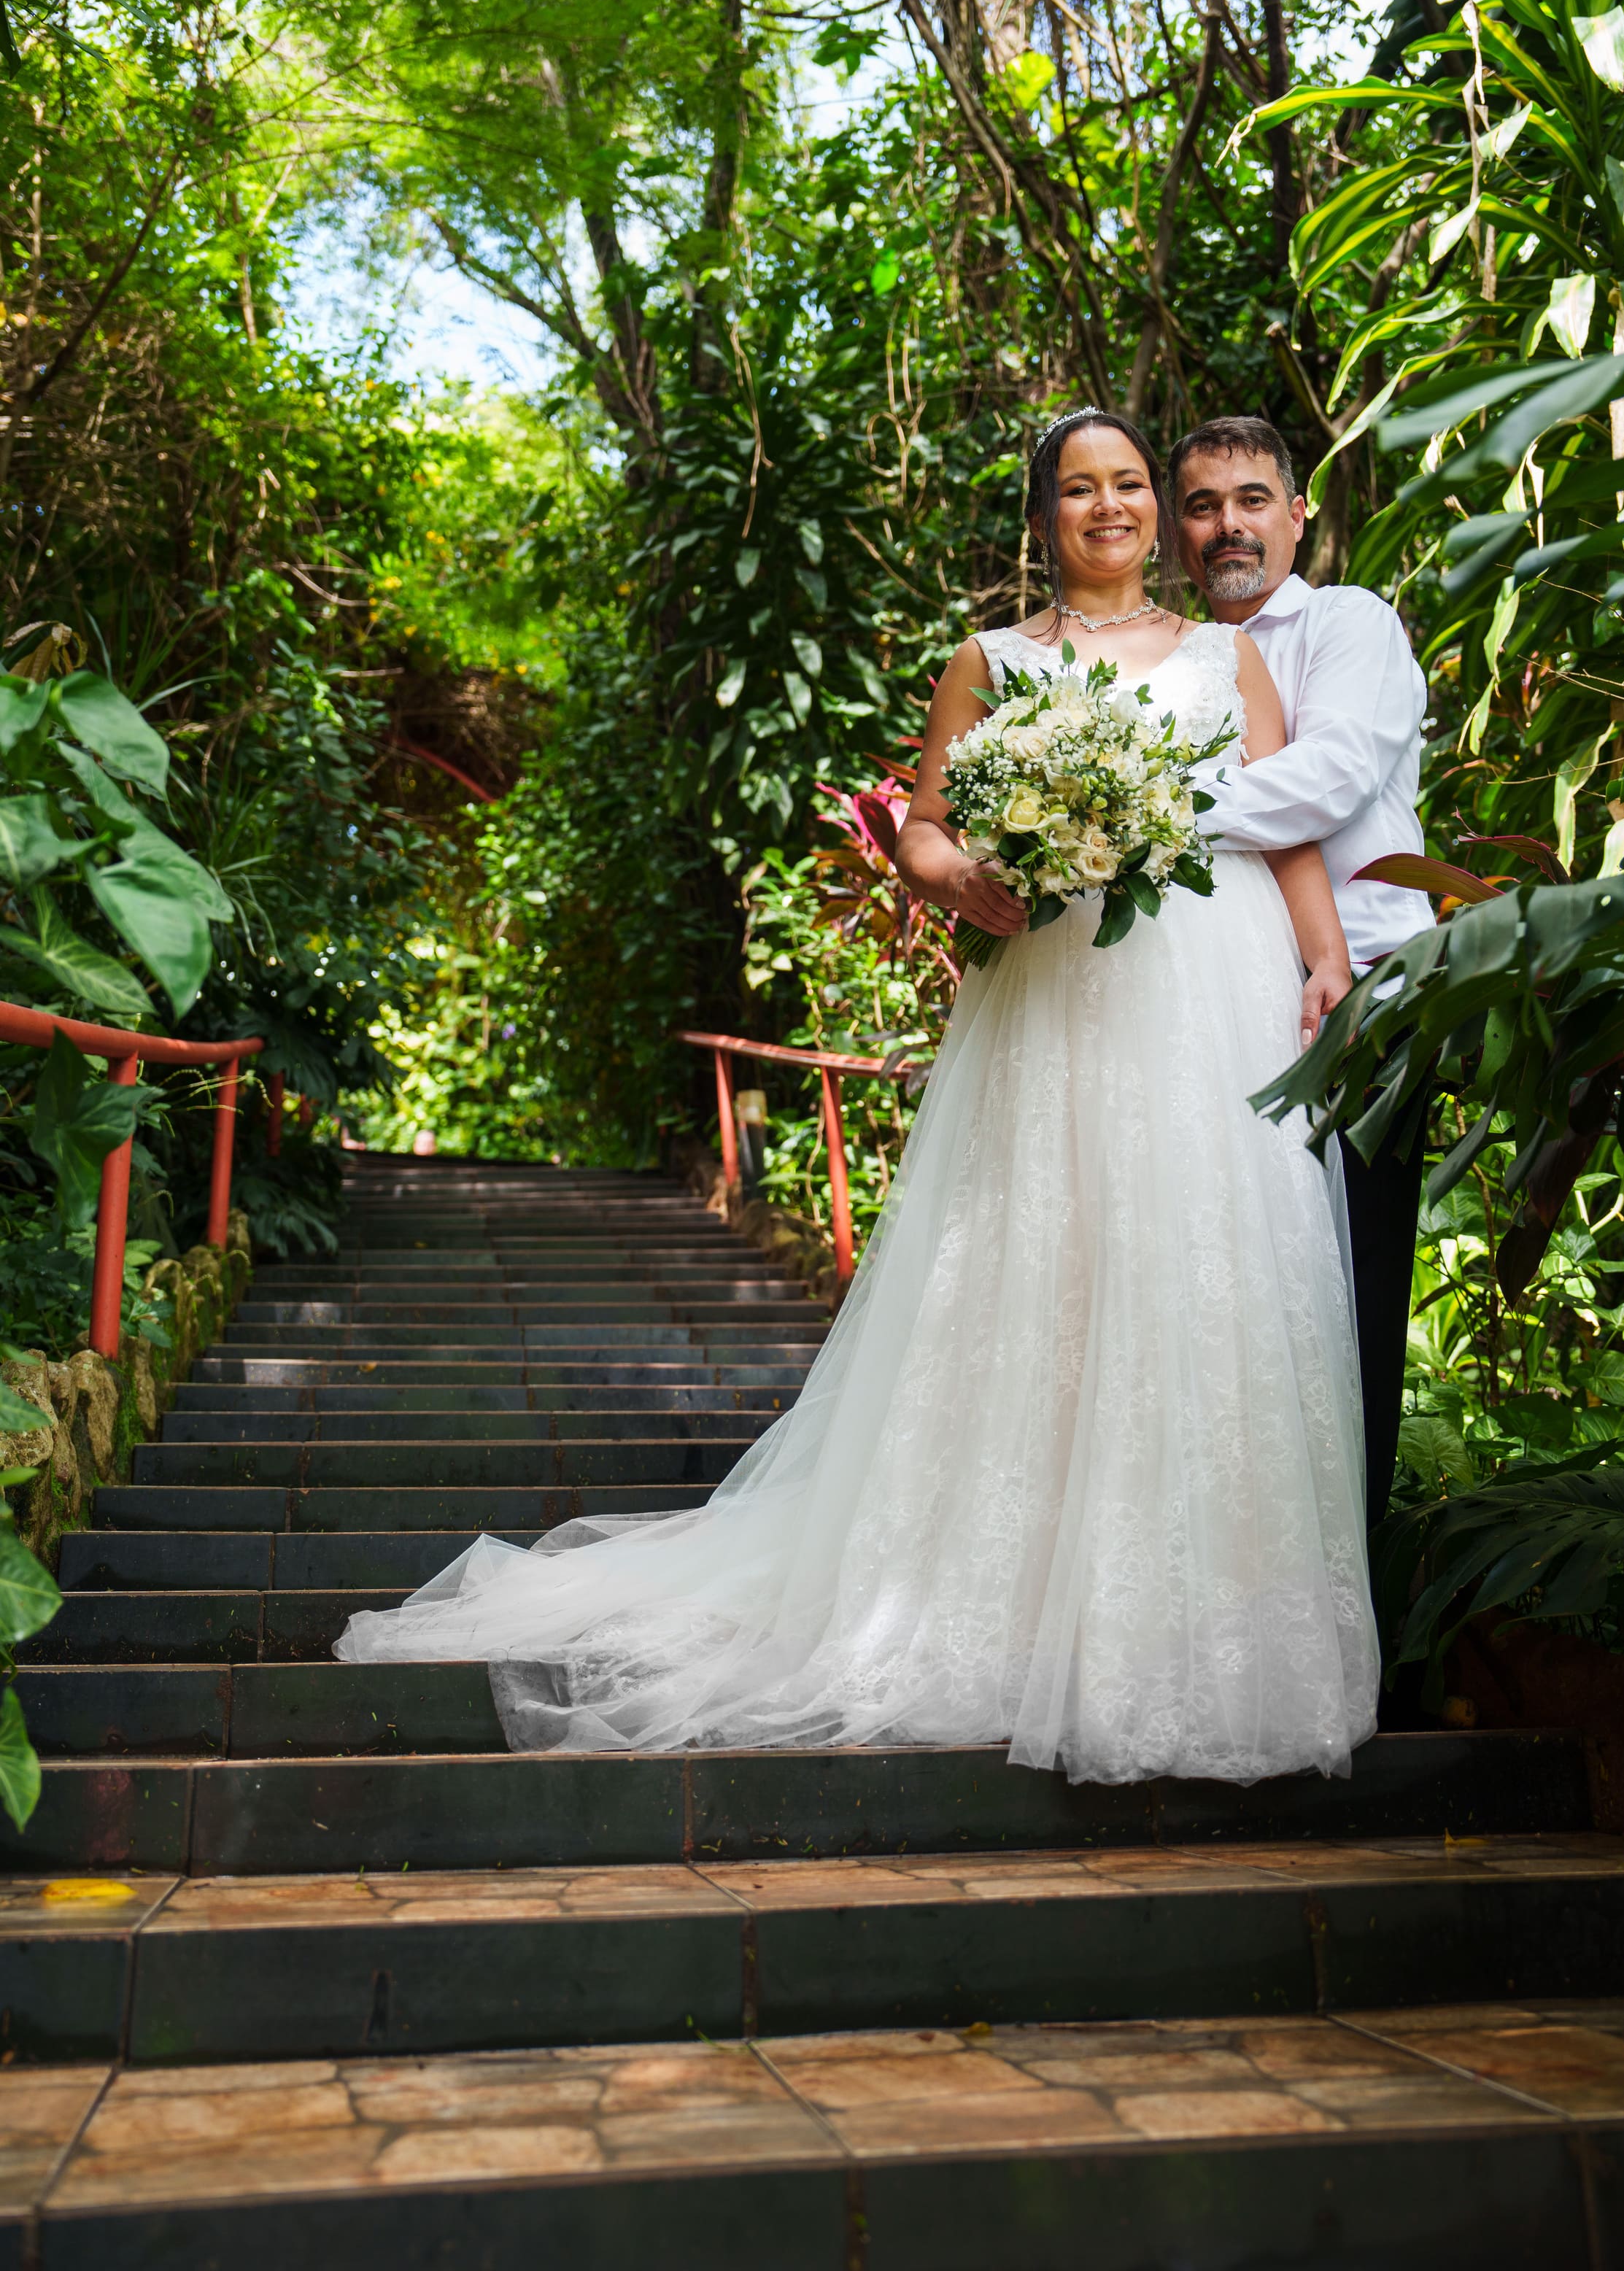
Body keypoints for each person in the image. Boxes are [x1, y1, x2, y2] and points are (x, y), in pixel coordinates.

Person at [336, 408, 1380, 1788]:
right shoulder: (991, 662)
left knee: (1215, 1280)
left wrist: (1322, 960)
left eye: (1132, 485)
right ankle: (1010, 1608)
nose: (1113, 508)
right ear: (1044, 515)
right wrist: (963, 878)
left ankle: (1205, 1629)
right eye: (1082, 488)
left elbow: (1285, 819)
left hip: (1218, 997)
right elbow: (927, 832)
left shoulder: (1227, 657)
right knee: (1048, 1278)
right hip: (1053, 1000)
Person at [1169, 417, 1431, 1531]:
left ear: (1297, 513)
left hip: (1361, 996)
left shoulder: (1346, 624)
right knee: (1222, 1313)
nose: (1229, 524)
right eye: (1203, 504)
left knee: (1351, 1305)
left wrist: (1146, 816)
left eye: (1253, 498)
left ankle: (1358, 1624)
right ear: (1179, 530)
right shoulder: (1163, 659)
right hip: (1205, 1015)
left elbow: (1328, 781)